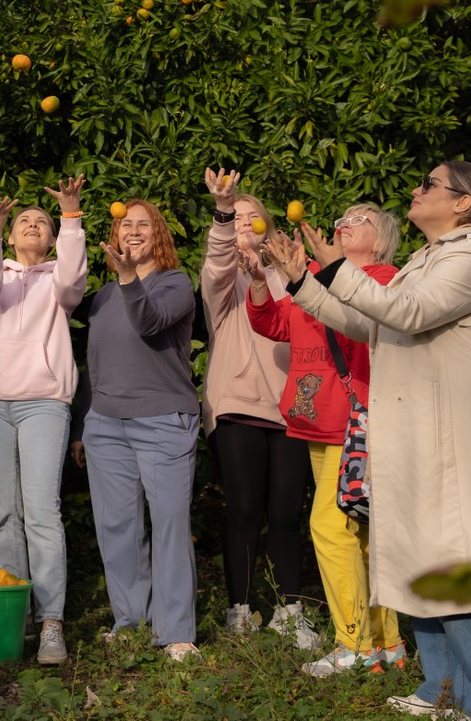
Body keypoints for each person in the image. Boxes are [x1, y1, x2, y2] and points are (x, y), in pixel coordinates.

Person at [272, 162, 471, 719]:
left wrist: (333, 267)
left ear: (462, 204)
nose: (414, 191)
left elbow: (410, 311)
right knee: (426, 563)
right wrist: (303, 282)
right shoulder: (428, 258)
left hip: (457, 443)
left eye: (428, 185)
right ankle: (451, 696)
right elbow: (373, 325)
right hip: (422, 438)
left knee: (469, 576)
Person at [246, 202, 407, 675]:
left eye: (361, 219)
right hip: (316, 423)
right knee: (357, 533)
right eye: (344, 216)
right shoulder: (313, 276)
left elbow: (363, 319)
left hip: (353, 423)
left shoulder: (385, 277)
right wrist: (260, 279)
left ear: (380, 239)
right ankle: (387, 644)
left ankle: (353, 645)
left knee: (331, 529)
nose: (346, 222)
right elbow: (273, 322)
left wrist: (313, 274)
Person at [0, 178, 87, 665]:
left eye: (42, 221)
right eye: (24, 222)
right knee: (2, 514)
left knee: (41, 511)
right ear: (12, 237)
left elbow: (74, 275)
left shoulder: (61, 278)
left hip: (44, 401)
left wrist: (71, 214)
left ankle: (51, 621)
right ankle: (13, 613)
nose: (33, 226)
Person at [199, 169, 318, 649]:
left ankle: (290, 610)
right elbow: (215, 264)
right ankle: (241, 609)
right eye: (236, 218)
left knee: (288, 513)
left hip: (291, 407)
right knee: (244, 509)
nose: (244, 224)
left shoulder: (292, 276)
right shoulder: (224, 283)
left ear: (269, 227)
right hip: (238, 404)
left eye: (252, 217)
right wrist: (223, 213)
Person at [77, 198, 200, 662]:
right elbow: (93, 364)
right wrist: (83, 423)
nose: (132, 230)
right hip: (105, 424)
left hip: (164, 420)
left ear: (159, 235)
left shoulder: (176, 283)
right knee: (117, 526)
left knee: (169, 524)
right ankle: (130, 620)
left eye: (142, 224)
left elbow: (148, 322)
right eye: (125, 224)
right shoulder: (104, 295)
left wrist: (129, 278)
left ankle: (176, 632)